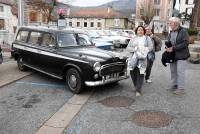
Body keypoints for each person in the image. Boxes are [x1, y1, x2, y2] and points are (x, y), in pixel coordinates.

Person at [126, 26, 153, 96]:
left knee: (141, 74)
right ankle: (136, 86)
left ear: (144, 31)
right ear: (136, 31)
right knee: (132, 73)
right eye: (139, 30)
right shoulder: (133, 38)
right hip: (133, 58)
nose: (140, 31)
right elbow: (128, 48)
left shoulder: (147, 38)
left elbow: (151, 47)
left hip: (142, 59)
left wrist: (144, 49)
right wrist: (135, 49)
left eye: (141, 30)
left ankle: (138, 90)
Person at [166, 17, 190, 95]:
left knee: (180, 72)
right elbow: (169, 41)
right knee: (173, 71)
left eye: (170, 23)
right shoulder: (171, 32)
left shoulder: (183, 31)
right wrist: (167, 47)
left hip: (182, 55)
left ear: (175, 23)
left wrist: (173, 48)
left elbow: (185, 43)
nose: (169, 24)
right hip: (173, 55)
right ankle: (174, 85)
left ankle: (181, 89)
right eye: (169, 23)